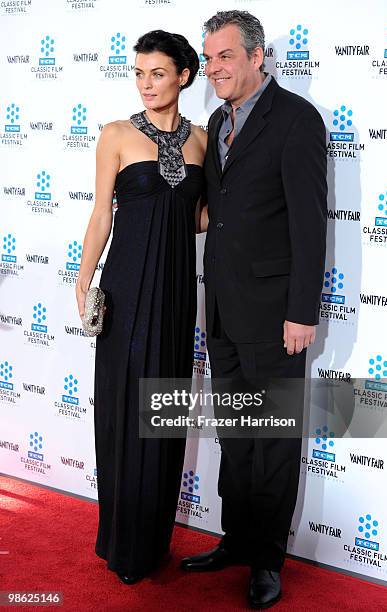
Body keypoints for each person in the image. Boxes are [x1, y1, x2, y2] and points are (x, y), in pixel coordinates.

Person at [181, 10, 327, 609]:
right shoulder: (217, 120)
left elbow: (308, 223)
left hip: (275, 315)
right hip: (221, 311)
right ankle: (237, 540)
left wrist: (302, 311)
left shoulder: (296, 119)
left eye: (225, 57)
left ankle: (267, 560)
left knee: (273, 440)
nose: (213, 68)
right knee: (238, 436)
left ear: (257, 56)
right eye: (209, 58)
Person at [76, 30, 206, 585]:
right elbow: (101, 215)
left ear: (183, 75)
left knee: (164, 415)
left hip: (177, 293)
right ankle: (123, 544)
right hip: (127, 292)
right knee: (125, 412)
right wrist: (83, 282)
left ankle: (153, 542)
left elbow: (199, 216)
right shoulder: (115, 135)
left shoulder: (203, 141)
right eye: (138, 72)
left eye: (158, 72)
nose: (146, 83)